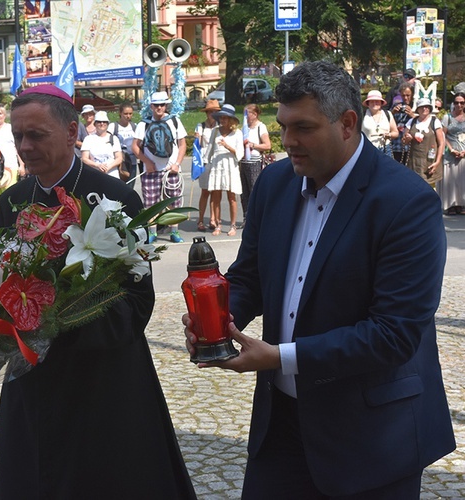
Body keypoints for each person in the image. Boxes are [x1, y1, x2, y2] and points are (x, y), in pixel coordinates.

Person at [183, 60, 455, 498]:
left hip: (371, 437)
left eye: (304, 128)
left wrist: (279, 357)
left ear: (348, 124)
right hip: (282, 427)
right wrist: (217, 319)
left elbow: (395, 334)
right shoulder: (275, 182)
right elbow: (251, 274)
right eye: (284, 125)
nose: (288, 141)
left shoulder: (407, 202)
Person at [0, 84, 196, 499]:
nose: (25, 147)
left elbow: (138, 301)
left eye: (36, 135)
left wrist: (62, 319)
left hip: (103, 380)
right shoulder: (12, 202)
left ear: (70, 133)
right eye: (18, 136)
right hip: (33, 378)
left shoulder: (116, 199)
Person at [132, 91, 187, 243]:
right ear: (151, 106)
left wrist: (177, 163)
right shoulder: (144, 124)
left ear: (166, 105)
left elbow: (182, 144)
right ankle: (152, 232)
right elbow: (135, 146)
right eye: (156, 105)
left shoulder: (174, 121)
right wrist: (147, 162)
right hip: (151, 171)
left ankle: (174, 231)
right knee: (151, 203)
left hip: (171, 171)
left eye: (162, 104)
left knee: (173, 202)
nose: (159, 108)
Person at [204, 104, 244, 237]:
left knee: (232, 197)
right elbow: (209, 150)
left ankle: (232, 225)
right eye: (221, 117)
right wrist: (206, 164)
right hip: (217, 166)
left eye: (225, 118)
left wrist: (227, 146)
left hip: (230, 166)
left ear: (231, 119)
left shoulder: (237, 133)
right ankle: (218, 224)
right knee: (216, 197)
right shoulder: (215, 131)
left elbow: (240, 153)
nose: (222, 120)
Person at [240, 103, 271, 227]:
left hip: (254, 162)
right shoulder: (244, 127)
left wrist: (253, 145)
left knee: (254, 190)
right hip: (243, 162)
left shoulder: (260, 127)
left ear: (255, 114)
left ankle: (257, 218)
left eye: (247, 114)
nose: (245, 116)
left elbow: (267, 145)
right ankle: (247, 218)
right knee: (244, 192)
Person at [403, 98, 444, 186]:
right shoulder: (411, 122)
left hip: (429, 163)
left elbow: (441, 143)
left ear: (430, 108)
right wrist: (407, 138)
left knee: (430, 189)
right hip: (414, 163)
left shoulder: (435, 121)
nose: (424, 109)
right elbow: (403, 141)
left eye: (426, 106)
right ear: (417, 109)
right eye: (421, 107)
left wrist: (437, 162)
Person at [194, 99, 220, 231]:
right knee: (205, 191)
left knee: (215, 191)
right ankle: (200, 219)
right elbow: (197, 143)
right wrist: (197, 138)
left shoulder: (220, 126)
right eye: (210, 112)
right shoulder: (201, 126)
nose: (212, 115)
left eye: (215, 112)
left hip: (216, 159)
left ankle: (213, 218)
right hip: (204, 159)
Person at [439, 91, 465, 214]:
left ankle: (461, 204)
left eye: (462, 103)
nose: (459, 105)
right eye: (456, 103)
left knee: (462, 180)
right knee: (450, 180)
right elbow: (443, 135)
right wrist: (451, 149)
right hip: (451, 152)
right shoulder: (447, 117)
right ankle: (451, 205)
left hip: (463, 152)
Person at [81, 110, 123, 178]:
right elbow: (84, 158)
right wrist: (97, 165)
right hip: (94, 175)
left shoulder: (114, 138)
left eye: (104, 122)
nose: (102, 124)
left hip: (112, 175)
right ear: (95, 124)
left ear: (108, 123)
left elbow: (119, 158)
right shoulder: (88, 139)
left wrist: (108, 168)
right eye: (99, 122)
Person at [108, 102, 140, 188]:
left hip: (132, 161)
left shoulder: (134, 127)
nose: (128, 116)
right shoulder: (113, 126)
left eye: (130, 114)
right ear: (120, 113)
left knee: (130, 186)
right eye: (125, 113)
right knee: (118, 186)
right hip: (119, 162)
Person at [360, 89, 398, 155]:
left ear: (381, 103)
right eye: (372, 101)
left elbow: (395, 132)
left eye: (377, 101)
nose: (374, 103)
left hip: (385, 148)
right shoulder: (362, 115)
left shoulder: (388, 114)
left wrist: (389, 135)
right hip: (367, 148)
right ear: (368, 103)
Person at [390, 82, 417, 165]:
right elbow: (387, 123)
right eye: (403, 95)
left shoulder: (417, 107)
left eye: (408, 95)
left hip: (411, 148)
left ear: (412, 95)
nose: (405, 98)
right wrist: (392, 113)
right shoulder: (397, 106)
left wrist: (412, 115)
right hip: (397, 146)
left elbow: (422, 124)